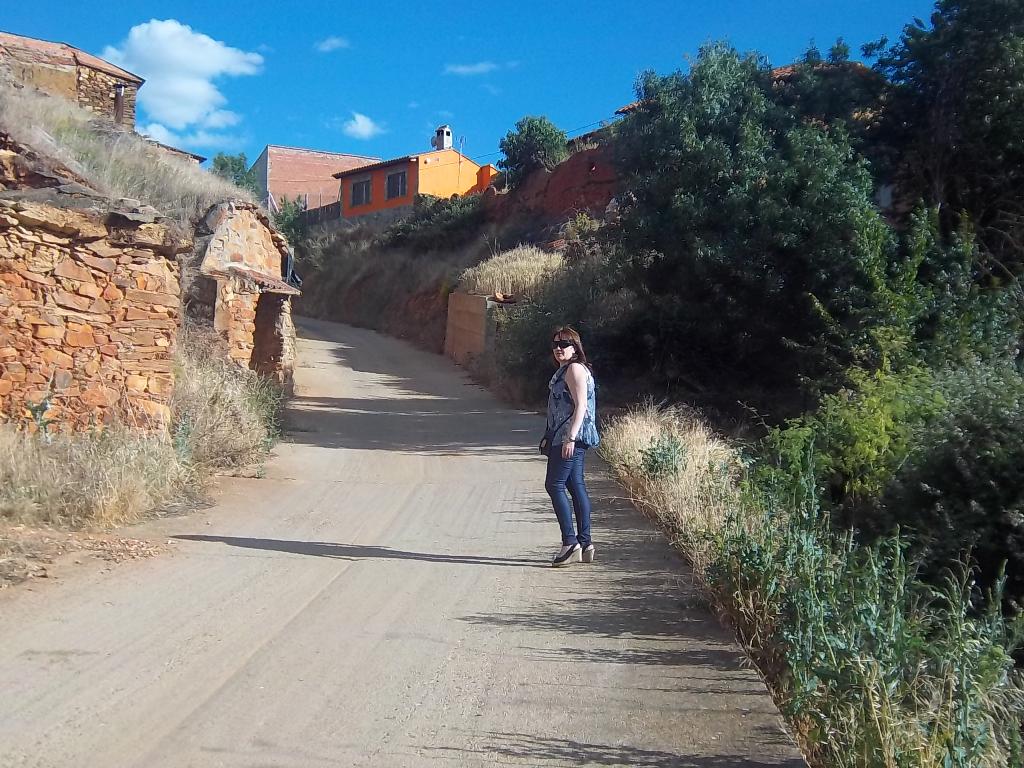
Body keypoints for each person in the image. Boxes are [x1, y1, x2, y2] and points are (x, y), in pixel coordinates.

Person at [544, 327, 600, 567]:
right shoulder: (569, 369)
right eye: (555, 344)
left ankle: (570, 543)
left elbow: (581, 406)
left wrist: (570, 438)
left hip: (570, 437)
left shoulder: (574, 369)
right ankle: (585, 543)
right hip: (567, 436)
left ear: (575, 347)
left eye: (565, 344)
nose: (559, 348)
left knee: (554, 484)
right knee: (574, 484)